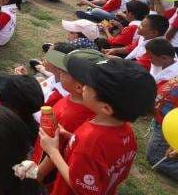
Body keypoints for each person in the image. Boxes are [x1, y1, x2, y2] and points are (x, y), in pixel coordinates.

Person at [40, 55, 156, 195]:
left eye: (88, 85)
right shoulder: (127, 133)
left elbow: (80, 188)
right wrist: (72, 137)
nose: (83, 86)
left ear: (106, 108)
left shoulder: (91, 141)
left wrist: (52, 151)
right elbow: (108, 163)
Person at [33, 50, 98, 180]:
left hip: (46, 167)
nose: (59, 72)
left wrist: (37, 175)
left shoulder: (73, 116)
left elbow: (57, 153)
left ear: (79, 87)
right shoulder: (72, 97)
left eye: (63, 72)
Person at [105, 14, 170, 71]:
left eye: (142, 26)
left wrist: (118, 59)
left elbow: (138, 67)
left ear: (153, 32)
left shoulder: (155, 49)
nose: (138, 26)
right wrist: (114, 50)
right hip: (132, 61)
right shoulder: (144, 36)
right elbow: (132, 47)